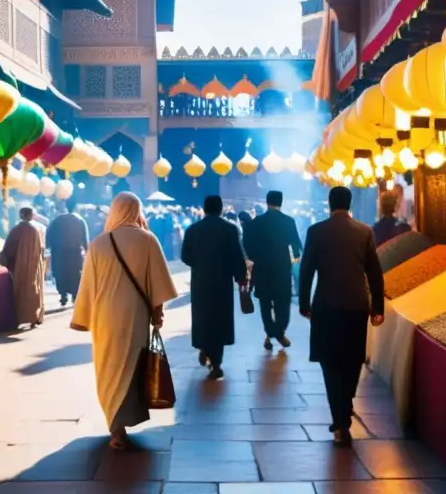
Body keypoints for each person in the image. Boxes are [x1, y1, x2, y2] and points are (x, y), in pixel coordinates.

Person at [71, 192, 178, 450]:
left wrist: (82, 318)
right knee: (131, 366)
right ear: (136, 210)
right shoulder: (148, 240)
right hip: (135, 314)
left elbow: (87, 287)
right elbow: (159, 282)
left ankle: (115, 427)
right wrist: (157, 312)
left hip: (104, 316)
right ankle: (123, 421)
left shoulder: (98, 243)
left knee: (108, 368)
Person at [299, 186, 384, 447]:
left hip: (326, 307)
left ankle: (339, 422)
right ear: (350, 205)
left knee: (330, 364)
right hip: (356, 306)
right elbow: (374, 272)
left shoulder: (316, 231)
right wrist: (377, 308)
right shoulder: (364, 232)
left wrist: (304, 303)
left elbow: (306, 271)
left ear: (329, 204)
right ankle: (344, 413)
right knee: (352, 360)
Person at [181, 195, 247, 379]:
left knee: (203, 317)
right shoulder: (229, 229)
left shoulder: (193, 230)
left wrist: (200, 264)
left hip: (201, 281)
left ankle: (204, 347)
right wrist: (241, 278)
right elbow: (237, 256)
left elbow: (185, 256)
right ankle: (216, 362)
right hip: (222, 282)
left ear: (204, 209)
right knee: (219, 319)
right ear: (221, 209)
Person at [243, 190, 302, 351]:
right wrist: (296, 255)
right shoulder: (288, 221)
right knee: (283, 302)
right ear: (281, 202)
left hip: (262, 268)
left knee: (265, 302)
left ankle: (271, 331)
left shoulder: (257, 222)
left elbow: (246, 242)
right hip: (282, 268)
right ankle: (279, 331)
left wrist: (254, 257)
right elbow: (296, 243)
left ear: (266, 202)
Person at [0, 207, 46, 329]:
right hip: (36, 265)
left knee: (21, 291)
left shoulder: (16, 230)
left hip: (19, 266)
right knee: (35, 289)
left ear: (21, 215)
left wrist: (4, 260)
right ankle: (35, 317)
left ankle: (20, 317)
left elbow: (9, 248)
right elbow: (42, 248)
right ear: (31, 216)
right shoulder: (39, 228)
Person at [46, 199, 88, 306]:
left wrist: (49, 247)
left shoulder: (56, 220)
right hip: (75, 253)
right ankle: (75, 295)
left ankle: (63, 295)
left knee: (61, 274)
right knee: (75, 273)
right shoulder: (80, 220)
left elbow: (49, 236)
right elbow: (85, 239)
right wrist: (86, 250)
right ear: (75, 207)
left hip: (59, 253)